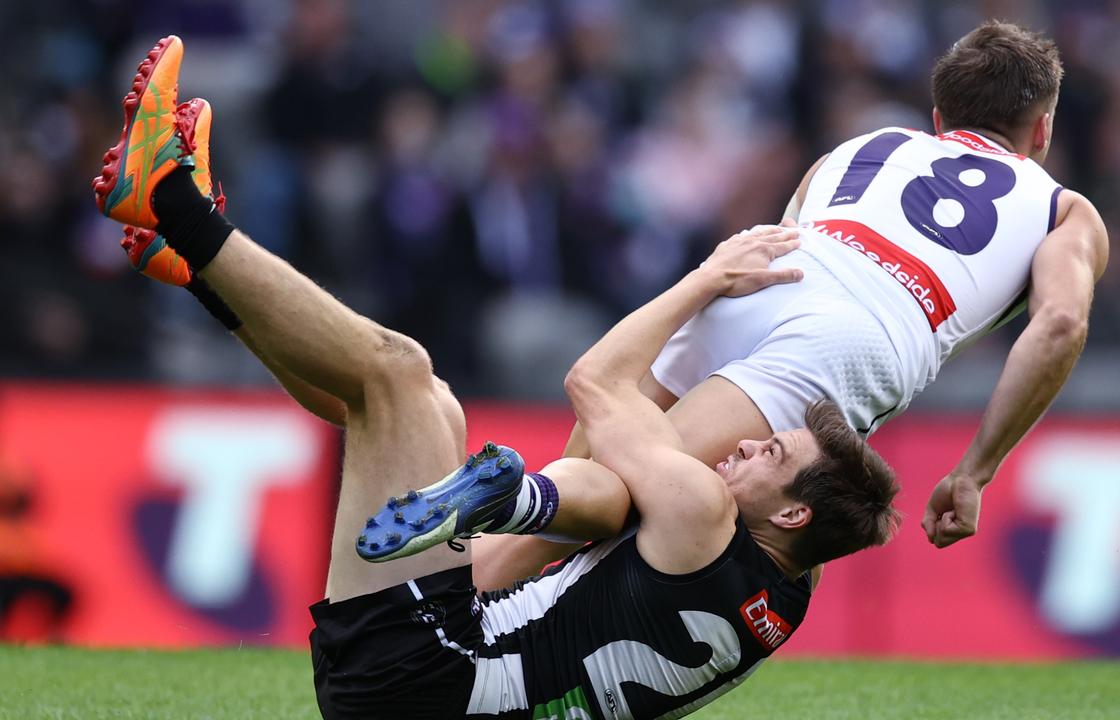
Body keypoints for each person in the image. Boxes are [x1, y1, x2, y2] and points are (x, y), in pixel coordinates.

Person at [92, 36, 900, 719]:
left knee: (399, 375)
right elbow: (833, 519)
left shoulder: (703, 512)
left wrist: (708, 277)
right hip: (424, 673)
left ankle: (170, 201)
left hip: (424, 669)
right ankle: (193, 267)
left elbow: (593, 382)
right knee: (416, 413)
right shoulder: (787, 593)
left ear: (792, 510)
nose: (748, 444)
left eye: (771, 456)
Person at [538, 19, 1109, 561]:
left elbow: (781, 240)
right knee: (647, 492)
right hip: (850, 337)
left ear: (939, 118)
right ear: (1043, 129)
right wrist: (973, 471)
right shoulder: (1065, 212)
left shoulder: (867, 144)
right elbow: (1060, 323)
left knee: (563, 508)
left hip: (758, 286)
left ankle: (467, 569)